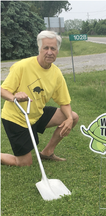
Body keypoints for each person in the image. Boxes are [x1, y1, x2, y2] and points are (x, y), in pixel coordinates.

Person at [1, 30, 79, 167]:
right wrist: (14, 97)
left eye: (53, 48)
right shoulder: (23, 66)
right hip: (17, 118)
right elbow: (2, 90)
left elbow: (64, 103)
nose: (49, 52)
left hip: (36, 114)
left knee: (72, 116)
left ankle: (47, 152)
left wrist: (69, 120)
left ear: (57, 51)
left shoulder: (56, 73)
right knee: (24, 163)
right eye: (46, 48)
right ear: (39, 49)